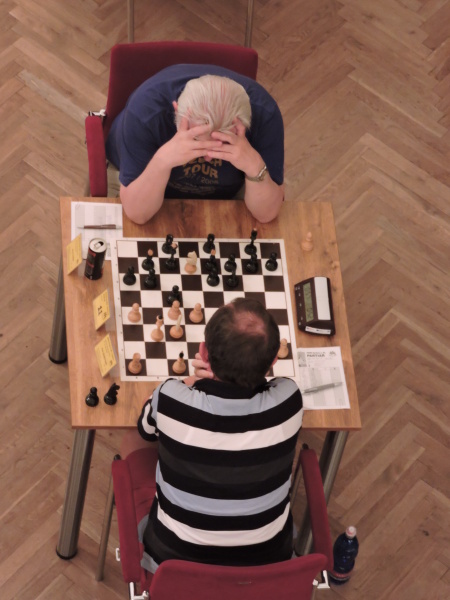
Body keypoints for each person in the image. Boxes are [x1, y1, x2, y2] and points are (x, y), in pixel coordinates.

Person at [120, 298, 303, 574]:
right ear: (274, 361)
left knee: (132, 438)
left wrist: (194, 381)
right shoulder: (289, 400)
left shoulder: (170, 400)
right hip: (267, 570)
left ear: (203, 352)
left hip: (172, 566)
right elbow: (273, 388)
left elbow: (145, 427)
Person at [105, 64, 285, 224]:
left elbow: (266, 214)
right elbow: (138, 214)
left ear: (244, 125)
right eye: (196, 140)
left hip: (232, 192)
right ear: (177, 112)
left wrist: (254, 166)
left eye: (223, 144)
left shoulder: (265, 115)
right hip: (142, 182)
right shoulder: (145, 112)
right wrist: (161, 161)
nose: (208, 157)